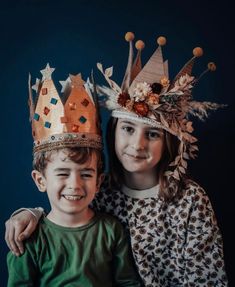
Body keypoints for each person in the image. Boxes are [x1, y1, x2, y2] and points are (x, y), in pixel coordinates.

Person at [5, 34, 228, 286]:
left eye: (153, 134)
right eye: (128, 129)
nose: (137, 145)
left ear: (168, 142)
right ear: (113, 131)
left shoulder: (189, 200)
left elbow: (207, 278)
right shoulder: (102, 193)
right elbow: (64, 214)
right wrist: (31, 214)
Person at [6, 64, 141, 287]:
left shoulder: (111, 230)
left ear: (99, 181)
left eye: (86, 174)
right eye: (62, 173)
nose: (75, 184)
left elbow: (128, 283)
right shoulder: (28, 239)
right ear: (40, 180)